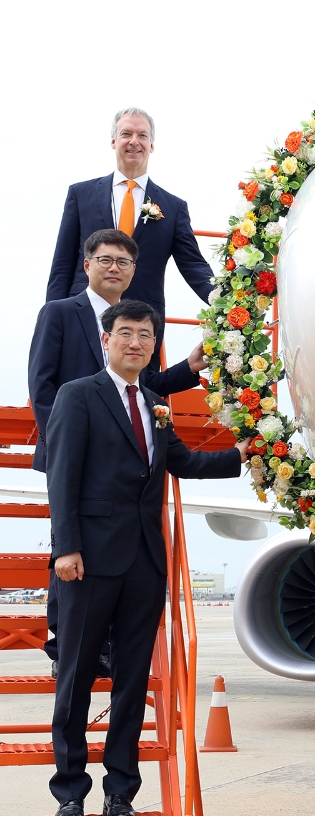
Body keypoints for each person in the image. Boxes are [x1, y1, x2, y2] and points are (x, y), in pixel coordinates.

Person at [45, 299, 248, 816]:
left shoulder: (156, 401)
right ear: (106, 339)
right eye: (126, 332)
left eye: (146, 334)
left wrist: (245, 456)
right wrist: (65, 548)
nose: (136, 342)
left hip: (143, 561)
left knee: (132, 680)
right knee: (76, 678)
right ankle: (70, 790)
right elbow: (61, 475)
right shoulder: (78, 396)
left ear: (154, 344)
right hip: (87, 561)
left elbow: (179, 462)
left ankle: (120, 791)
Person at [29, 228, 208, 674]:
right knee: (69, 545)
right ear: (87, 265)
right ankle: (63, 648)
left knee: (115, 555)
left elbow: (144, 387)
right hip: (74, 451)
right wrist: (70, 442)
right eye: (105, 260)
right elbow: (42, 386)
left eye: (123, 263)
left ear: (132, 273)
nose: (114, 268)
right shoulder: (59, 313)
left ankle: (107, 644)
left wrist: (188, 368)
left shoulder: (136, 324)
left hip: (124, 452)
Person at [46, 107, 214, 365]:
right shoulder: (81, 195)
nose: (134, 141)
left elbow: (192, 264)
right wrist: (52, 321)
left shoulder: (173, 207)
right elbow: (63, 263)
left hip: (142, 324)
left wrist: (225, 299)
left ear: (151, 145)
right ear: (113, 140)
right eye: (126, 133)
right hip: (82, 317)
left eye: (142, 135)